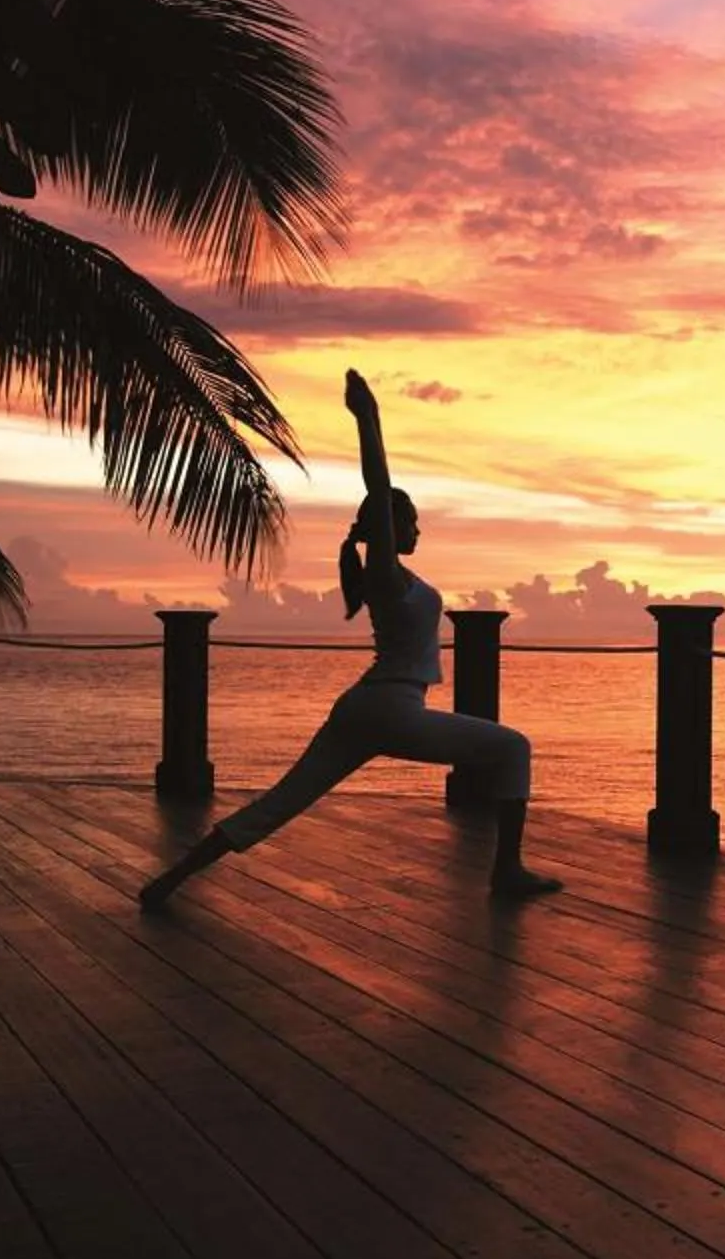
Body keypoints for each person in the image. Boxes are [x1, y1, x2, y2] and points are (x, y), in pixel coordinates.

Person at [139, 368, 563, 907]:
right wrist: (369, 419)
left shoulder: (391, 581)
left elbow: (383, 504)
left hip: (364, 707)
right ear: (390, 527)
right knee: (513, 748)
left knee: (279, 804)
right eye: (409, 522)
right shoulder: (383, 575)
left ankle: (169, 881)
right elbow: (379, 487)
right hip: (391, 707)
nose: (416, 531)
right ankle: (507, 871)